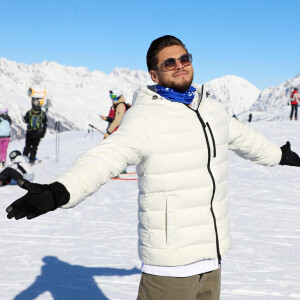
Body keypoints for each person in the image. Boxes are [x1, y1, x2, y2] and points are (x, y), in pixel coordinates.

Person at [5, 35, 300, 300]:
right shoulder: (146, 118)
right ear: (154, 74)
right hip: (170, 264)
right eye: (169, 62)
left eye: (184, 58)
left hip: (212, 258)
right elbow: (106, 156)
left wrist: (279, 155)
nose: (179, 65)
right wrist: (59, 192)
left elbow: (244, 137)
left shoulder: (209, 107)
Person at [23, 98, 48, 164]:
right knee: (34, 147)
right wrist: (43, 132)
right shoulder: (42, 113)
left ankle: (23, 159)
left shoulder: (30, 112)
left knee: (27, 146)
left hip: (30, 132)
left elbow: (25, 120)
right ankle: (32, 160)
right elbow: (45, 123)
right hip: (38, 133)